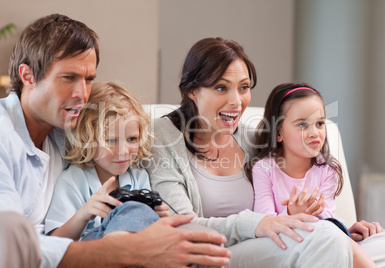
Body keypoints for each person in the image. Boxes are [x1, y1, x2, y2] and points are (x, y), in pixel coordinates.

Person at [0, 14, 230, 267]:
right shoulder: (6, 137)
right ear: (28, 76)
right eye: (69, 78)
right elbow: (8, 243)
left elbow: (128, 127)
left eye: (89, 79)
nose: (82, 94)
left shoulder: (68, 129)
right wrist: (123, 250)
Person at [144, 37, 354, 267]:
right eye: (221, 88)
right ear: (193, 90)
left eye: (243, 87)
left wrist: (344, 228)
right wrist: (254, 223)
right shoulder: (162, 136)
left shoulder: (253, 140)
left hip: (262, 246)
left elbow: (296, 190)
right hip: (211, 257)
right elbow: (182, 225)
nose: (236, 101)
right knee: (326, 240)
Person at [248, 82, 375, 267]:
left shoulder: (328, 170)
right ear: (278, 132)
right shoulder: (264, 169)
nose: (314, 133)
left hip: (325, 235)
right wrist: (293, 213)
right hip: (284, 244)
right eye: (302, 125)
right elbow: (264, 220)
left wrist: (308, 215)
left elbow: (327, 219)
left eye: (320, 123)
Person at [45, 81, 170, 241]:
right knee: (131, 209)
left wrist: (159, 218)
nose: (124, 151)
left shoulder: (139, 177)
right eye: (111, 141)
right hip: (92, 251)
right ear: (87, 139)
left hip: (135, 249)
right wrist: (83, 215)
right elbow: (55, 241)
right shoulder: (74, 181)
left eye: (132, 139)